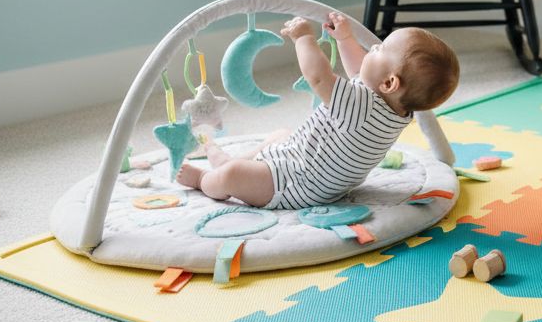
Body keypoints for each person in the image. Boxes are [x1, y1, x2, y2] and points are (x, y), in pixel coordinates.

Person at [177, 14, 460, 210]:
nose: (373, 46)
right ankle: (231, 161)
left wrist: (303, 38)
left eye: (380, 49)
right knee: (280, 136)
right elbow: (359, 72)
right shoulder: (394, 110)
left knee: (233, 175)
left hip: (294, 186)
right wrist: (345, 39)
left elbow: (319, 78)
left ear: (389, 83)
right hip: (315, 173)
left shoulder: (360, 108)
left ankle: (205, 180)